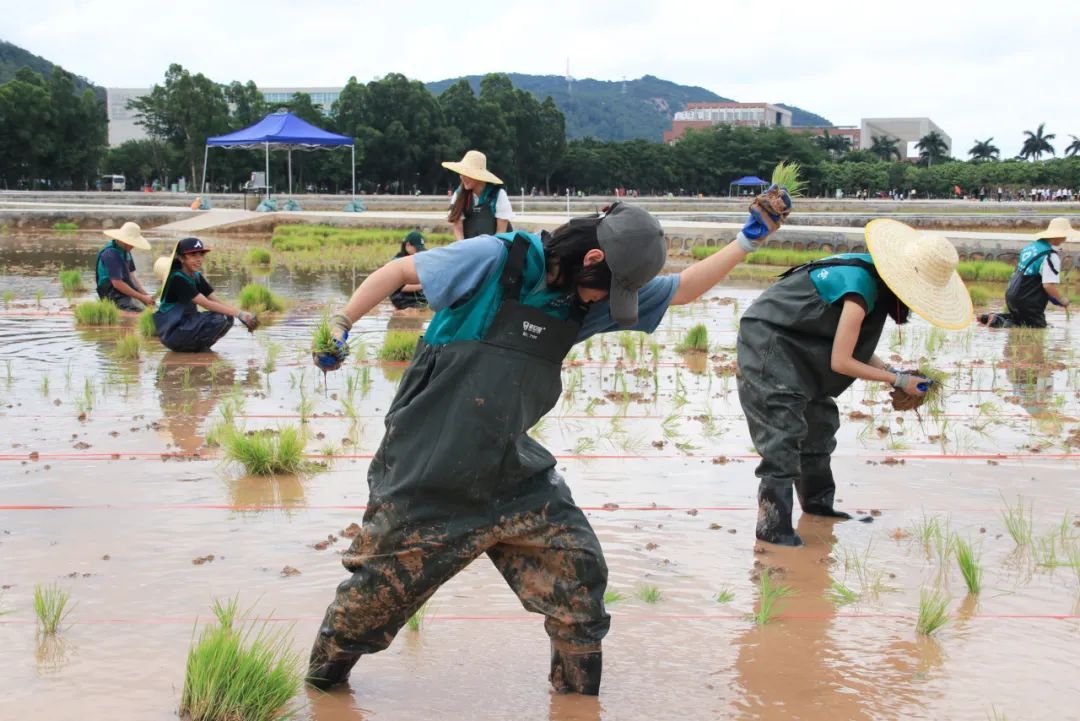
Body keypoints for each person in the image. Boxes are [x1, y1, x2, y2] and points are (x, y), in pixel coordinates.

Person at [306, 191, 793, 694]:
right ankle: (320, 688)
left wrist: (747, 241)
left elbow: (684, 289)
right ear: (593, 259)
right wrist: (342, 324)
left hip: (508, 469)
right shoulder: (499, 258)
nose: (607, 302)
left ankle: (578, 699)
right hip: (427, 467)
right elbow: (399, 275)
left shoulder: (584, 302)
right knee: (369, 605)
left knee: (578, 575)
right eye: (608, 289)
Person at [736, 219, 973, 547]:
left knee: (819, 422)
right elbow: (841, 362)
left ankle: (818, 507)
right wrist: (898, 379)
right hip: (770, 343)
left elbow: (854, 349)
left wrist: (894, 373)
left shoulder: (871, 280)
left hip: (805, 345)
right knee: (784, 430)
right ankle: (773, 529)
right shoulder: (859, 288)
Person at [151, 237, 258, 352]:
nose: (199, 259)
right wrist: (239, 313)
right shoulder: (177, 279)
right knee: (219, 317)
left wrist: (241, 315)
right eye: (193, 255)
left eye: (201, 255)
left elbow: (215, 300)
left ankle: (200, 349)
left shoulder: (196, 276)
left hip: (186, 325)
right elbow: (207, 304)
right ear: (181, 258)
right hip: (173, 332)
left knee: (227, 317)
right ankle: (190, 349)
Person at [978, 218, 1075, 329]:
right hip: (1028, 298)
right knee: (1037, 328)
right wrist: (1062, 299)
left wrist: (1056, 301)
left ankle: (988, 318)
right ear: (1058, 236)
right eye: (1065, 235)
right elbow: (1048, 285)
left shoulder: (1031, 247)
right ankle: (997, 322)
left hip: (1012, 293)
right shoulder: (1050, 256)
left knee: (1021, 320)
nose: (1065, 238)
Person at [443, 150, 514, 239]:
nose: (463, 177)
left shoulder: (498, 194)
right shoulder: (459, 194)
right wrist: (464, 249)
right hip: (470, 248)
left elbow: (501, 232)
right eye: (461, 174)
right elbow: (458, 229)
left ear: (479, 176)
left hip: (497, 247)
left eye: (467, 174)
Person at [95, 221, 156, 311]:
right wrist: (142, 298)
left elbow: (133, 277)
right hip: (111, 293)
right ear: (124, 240)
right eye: (131, 242)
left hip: (125, 292)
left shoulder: (126, 252)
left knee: (147, 309)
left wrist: (145, 295)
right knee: (137, 312)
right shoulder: (110, 254)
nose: (133, 246)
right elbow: (117, 284)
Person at [388, 230, 427, 310]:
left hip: (416, 298)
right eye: (417, 249)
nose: (419, 252)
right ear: (408, 245)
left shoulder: (415, 260)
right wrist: (423, 285)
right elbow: (402, 287)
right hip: (403, 300)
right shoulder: (398, 262)